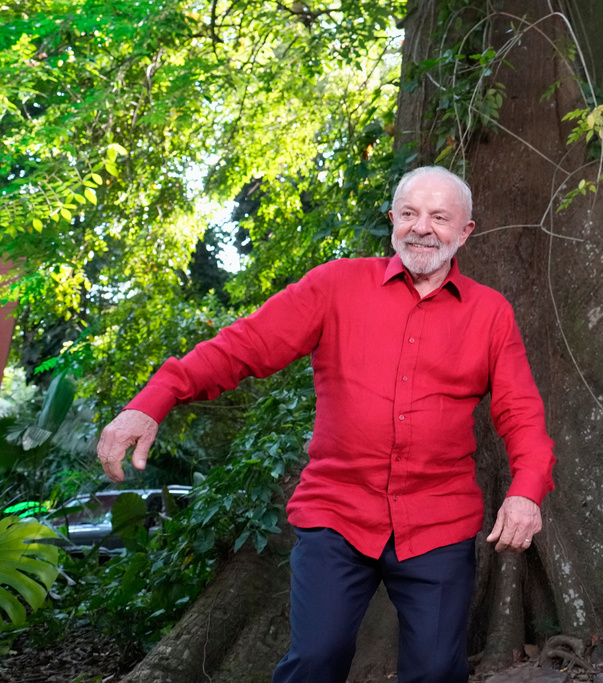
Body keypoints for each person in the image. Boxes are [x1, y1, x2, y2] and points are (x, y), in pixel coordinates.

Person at [96, 166, 557, 683]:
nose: (421, 228)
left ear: (465, 231)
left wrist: (525, 491)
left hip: (438, 521)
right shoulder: (336, 285)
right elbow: (245, 347)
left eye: (439, 217)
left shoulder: (490, 313)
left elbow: (521, 412)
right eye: (408, 214)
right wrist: (154, 399)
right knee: (315, 661)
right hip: (336, 515)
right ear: (392, 222)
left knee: (435, 671)